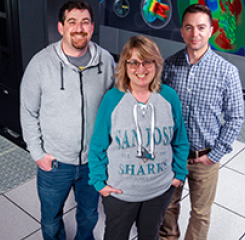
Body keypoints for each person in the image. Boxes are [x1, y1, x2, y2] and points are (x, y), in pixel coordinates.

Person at [19, 1, 115, 239]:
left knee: (89, 215)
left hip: (93, 161)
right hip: (55, 163)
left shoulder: (106, 61)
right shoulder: (40, 64)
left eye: (84, 22)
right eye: (72, 22)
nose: (79, 28)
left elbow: (115, 108)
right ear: (61, 27)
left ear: (92, 27)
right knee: (51, 220)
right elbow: (28, 111)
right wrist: (38, 154)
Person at [88, 35, 189, 240]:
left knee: (150, 237)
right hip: (120, 193)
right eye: (133, 62)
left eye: (147, 61)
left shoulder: (169, 96)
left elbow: (180, 140)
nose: (140, 69)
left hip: (159, 192)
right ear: (125, 66)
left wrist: (179, 174)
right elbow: (97, 145)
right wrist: (99, 183)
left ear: (156, 64)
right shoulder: (112, 99)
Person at [159, 4, 245, 240]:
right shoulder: (169, 65)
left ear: (211, 30)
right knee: (167, 206)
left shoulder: (227, 72)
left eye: (201, 27)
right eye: (189, 27)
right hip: (172, 155)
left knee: (200, 213)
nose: (194, 33)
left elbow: (235, 117)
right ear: (182, 31)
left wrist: (215, 155)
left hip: (204, 158)